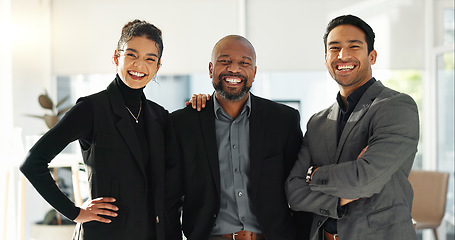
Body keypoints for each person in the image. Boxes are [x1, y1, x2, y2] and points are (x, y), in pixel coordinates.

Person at [20, 19, 178, 240]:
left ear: (157, 66)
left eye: (149, 59)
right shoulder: (91, 109)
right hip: (105, 233)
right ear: (117, 57)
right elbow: (32, 162)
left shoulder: (159, 116)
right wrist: (75, 213)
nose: (140, 65)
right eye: (132, 55)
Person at [285, 15, 419, 240]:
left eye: (353, 47)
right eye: (334, 48)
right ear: (326, 58)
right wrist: (338, 198)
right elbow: (294, 192)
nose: (342, 55)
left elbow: (363, 181)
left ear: (372, 56)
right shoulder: (317, 122)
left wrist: (314, 175)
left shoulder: (396, 107)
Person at [166, 35, 312, 240]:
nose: (234, 69)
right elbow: (170, 198)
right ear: (211, 69)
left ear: (254, 72)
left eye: (244, 63)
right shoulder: (183, 123)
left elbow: (299, 189)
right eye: (225, 61)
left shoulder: (283, 120)